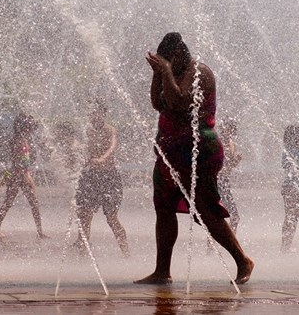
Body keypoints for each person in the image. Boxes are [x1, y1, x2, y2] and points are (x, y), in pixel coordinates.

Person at [136, 32, 254, 285]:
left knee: (206, 211)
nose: (166, 66)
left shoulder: (200, 72)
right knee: (163, 208)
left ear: (178, 55)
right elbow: (158, 103)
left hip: (198, 151)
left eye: (167, 62)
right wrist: (158, 74)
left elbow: (179, 101)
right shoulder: (171, 71)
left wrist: (166, 72)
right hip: (170, 153)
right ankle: (162, 270)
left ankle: (243, 260)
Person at [73, 100, 129, 257]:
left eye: (95, 112)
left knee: (111, 218)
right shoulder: (88, 131)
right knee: (84, 216)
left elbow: (112, 146)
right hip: (91, 177)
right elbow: (82, 150)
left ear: (102, 114)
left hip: (109, 177)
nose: (92, 116)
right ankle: (83, 253)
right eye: (90, 113)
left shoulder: (110, 130)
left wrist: (103, 158)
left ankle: (126, 253)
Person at [0, 113, 48, 241]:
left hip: (21, 174)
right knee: (13, 203)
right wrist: (26, 176)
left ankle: (40, 231)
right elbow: (16, 163)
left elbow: (20, 161)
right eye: (30, 126)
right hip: (19, 175)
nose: (32, 129)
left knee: (28, 203)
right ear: (24, 127)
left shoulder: (22, 138)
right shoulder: (18, 140)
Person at [280, 124, 299, 254]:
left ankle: (287, 244)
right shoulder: (292, 150)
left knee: (293, 216)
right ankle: (285, 246)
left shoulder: (293, 149)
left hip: (294, 186)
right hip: (292, 186)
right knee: (291, 216)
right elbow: (289, 167)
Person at [218, 118, 242, 234]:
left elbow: (228, 167)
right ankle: (211, 247)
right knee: (218, 217)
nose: (231, 133)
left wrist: (235, 161)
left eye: (233, 130)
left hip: (224, 183)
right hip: (217, 182)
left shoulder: (231, 143)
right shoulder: (217, 142)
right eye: (229, 129)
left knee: (232, 217)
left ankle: (229, 243)